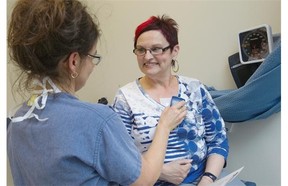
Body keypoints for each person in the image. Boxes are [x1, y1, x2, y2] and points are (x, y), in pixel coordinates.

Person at [7, 1, 187, 185]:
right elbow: (145, 179)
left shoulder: (17, 122)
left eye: (156, 49)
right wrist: (164, 126)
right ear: (74, 62)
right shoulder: (99, 119)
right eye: (93, 57)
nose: (93, 66)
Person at [112, 15, 245, 186]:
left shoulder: (195, 89)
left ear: (174, 50)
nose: (147, 57)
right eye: (141, 50)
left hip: (204, 178)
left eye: (156, 49)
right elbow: (119, 158)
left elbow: (218, 140)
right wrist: (159, 172)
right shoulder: (125, 98)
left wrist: (208, 179)